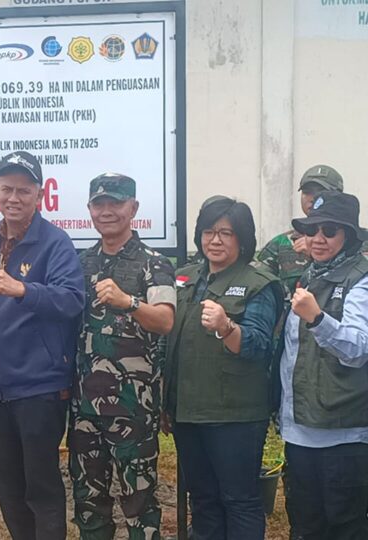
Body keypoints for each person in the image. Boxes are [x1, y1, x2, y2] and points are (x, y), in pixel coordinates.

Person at [0, 151, 85, 540]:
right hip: (1, 389)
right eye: (7, 189)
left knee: (41, 486)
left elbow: (71, 300)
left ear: (40, 194)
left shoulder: (55, 242)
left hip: (40, 386)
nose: (14, 197)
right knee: (5, 481)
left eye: (24, 190)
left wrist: (24, 290)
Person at [163, 196, 283, 540]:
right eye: (208, 231)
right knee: (202, 499)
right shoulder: (184, 276)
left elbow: (259, 346)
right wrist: (167, 403)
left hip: (235, 415)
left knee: (239, 500)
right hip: (188, 410)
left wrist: (227, 327)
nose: (214, 240)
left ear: (242, 238)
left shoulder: (259, 283)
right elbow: (169, 344)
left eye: (225, 233)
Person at [69, 173, 176, 540]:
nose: (107, 210)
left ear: (134, 208)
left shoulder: (155, 264)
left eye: (115, 202)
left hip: (133, 407)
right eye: (99, 203)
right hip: (85, 409)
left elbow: (164, 321)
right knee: (88, 502)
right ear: (89, 210)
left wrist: (129, 302)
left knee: (139, 504)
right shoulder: (79, 265)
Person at [277, 191, 368, 539]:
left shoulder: (360, 278)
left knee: (345, 527)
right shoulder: (310, 275)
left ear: (348, 236)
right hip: (300, 430)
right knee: (304, 526)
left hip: (342, 433)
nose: (318, 238)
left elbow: (358, 349)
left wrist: (317, 318)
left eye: (329, 230)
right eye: (312, 229)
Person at [257, 165, 343, 295]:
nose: (312, 197)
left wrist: (319, 254)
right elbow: (258, 284)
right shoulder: (281, 243)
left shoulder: (359, 243)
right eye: (307, 191)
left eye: (321, 191)